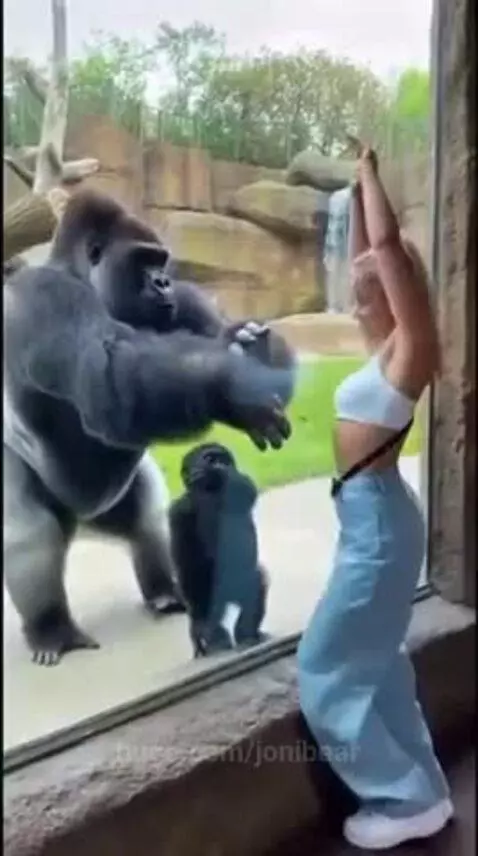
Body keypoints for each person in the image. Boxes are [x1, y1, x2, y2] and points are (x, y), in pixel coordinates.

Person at [297, 144, 452, 850]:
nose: (358, 275)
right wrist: (360, 209)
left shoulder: (411, 347)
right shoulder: (381, 343)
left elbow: (386, 248)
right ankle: (422, 790)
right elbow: (371, 248)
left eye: (370, 277)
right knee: (381, 665)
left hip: (380, 527)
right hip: (370, 519)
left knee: (325, 668)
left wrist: (366, 174)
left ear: (395, 289)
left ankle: (399, 799)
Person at [323, 185, 352, 313]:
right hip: (338, 245)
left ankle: (337, 305)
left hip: (342, 244)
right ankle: (336, 305)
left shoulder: (339, 197)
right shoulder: (339, 197)